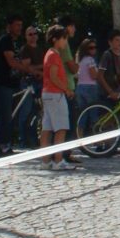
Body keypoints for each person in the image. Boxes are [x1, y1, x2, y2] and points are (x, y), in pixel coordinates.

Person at [0, 14, 32, 157]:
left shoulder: (15, 42)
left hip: (12, 84)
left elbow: (19, 62)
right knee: (4, 116)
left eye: (20, 25)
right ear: (9, 26)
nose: (19, 28)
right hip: (2, 84)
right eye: (17, 25)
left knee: (9, 116)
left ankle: (7, 144)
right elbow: (11, 62)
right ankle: (3, 146)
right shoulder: (5, 40)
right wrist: (28, 69)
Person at [41, 24, 74, 171]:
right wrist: (66, 89)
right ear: (55, 39)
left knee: (47, 129)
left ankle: (46, 161)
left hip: (48, 94)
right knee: (61, 128)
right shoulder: (54, 55)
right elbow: (54, 77)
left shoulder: (49, 53)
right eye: (63, 38)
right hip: (56, 95)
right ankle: (58, 161)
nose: (65, 41)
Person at [56, 15, 80, 163]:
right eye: (72, 26)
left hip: (66, 87)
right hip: (65, 88)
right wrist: (77, 64)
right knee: (68, 123)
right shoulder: (64, 46)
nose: (74, 29)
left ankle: (64, 153)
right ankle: (63, 154)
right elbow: (72, 67)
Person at [17, 25, 43, 149]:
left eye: (34, 33)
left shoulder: (40, 49)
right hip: (28, 83)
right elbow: (27, 67)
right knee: (26, 111)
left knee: (37, 112)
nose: (33, 36)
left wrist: (38, 69)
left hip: (39, 83)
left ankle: (33, 139)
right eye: (30, 34)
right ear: (26, 36)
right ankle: (23, 140)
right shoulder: (25, 49)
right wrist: (40, 68)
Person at [97, 30, 120, 107]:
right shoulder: (107, 55)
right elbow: (100, 76)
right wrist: (110, 92)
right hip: (107, 91)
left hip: (118, 90)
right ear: (110, 42)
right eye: (117, 40)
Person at [75, 38, 100, 115]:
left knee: (82, 115)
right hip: (90, 88)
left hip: (79, 87)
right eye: (91, 48)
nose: (94, 49)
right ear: (86, 49)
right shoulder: (90, 60)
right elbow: (94, 76)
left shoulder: (79, 60)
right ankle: (94, 127)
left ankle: (80, 127)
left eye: (95, 47)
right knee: (93, 113)